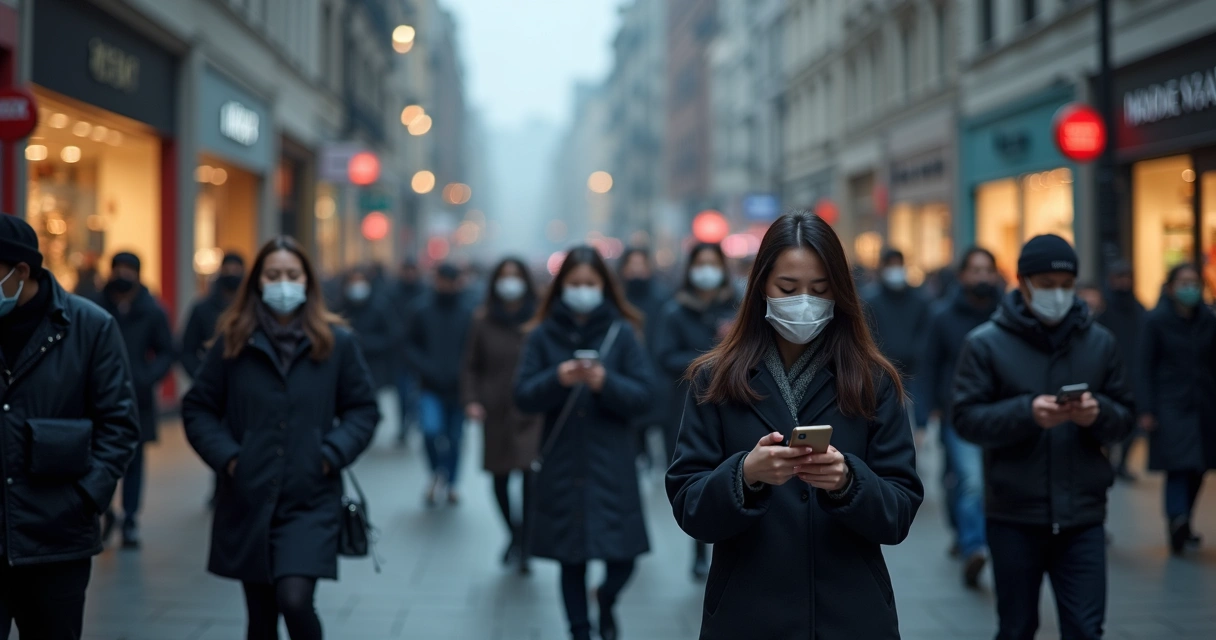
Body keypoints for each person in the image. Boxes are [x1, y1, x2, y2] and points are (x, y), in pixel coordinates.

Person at [666, 211, 922, 639]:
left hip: (851, 614)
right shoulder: (716, 379)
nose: (804, 302)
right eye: (788, 288)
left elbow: (899, 512)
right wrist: (745, 475)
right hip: (748, 613)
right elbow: (689, 505)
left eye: (820, 290)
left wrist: (847, 480)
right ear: (761, 286)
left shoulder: (871, 379)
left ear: (840, 293)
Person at [181, 236, 379, 640]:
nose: (283, 283)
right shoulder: (234, 340)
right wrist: (230, 458)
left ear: (308, 281)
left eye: (292, 274)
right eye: (273, 275)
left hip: (311, 496)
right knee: (261, 616)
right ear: (257, 282)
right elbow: (198, 407)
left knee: (295, 599)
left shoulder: (336, 342)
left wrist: (331, 453)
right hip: (248, 496)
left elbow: (363, 409)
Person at [953, 234, 1134, 640]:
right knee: (1017, 628)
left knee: (1086, 629)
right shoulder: (985, 344)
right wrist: (1027, 412)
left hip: (1084, 516)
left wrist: (1097, 413)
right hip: (1014, 515)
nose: (1058, 294)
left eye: (1066, 285)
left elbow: (1125, 417)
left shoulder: (1100, 342)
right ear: (1024, 282)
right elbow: (966, 419)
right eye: (1047, 285)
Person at [0, 215, 140, 639]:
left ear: (21, 272)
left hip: (56, 540)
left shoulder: (90, 326)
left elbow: (119, 423)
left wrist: (85, 498)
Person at [514, 246, 654, 640]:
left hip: (612, 461)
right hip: (563, 461)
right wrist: (558, 378)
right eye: (574, 284)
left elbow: (646, 397)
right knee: (570, 559)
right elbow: (523, 395)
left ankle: (606, 600)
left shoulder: (622, 332)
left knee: (624, 558)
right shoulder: (542, 334)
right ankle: (579, 630)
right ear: (560, 287)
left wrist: (605, 383)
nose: (582, 291)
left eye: (590, 283)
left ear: (604, 287)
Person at [653, 242, 737, 581]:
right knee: (700, 475)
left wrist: (735, 340)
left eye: (712, 263)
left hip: (733, 401)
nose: (706, 270)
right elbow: (665, 357)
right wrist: (706, 361)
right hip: (689, 405)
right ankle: (700, 548)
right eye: (700, 263)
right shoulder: (675, 311)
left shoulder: (738, 306)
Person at [921, 247, 1001, 588]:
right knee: (970, 481)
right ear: (963, 275)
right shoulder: (943, 316)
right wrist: (924, 415)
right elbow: (930, 364)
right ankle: (974, 547)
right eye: (976, 270)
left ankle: (970, 535)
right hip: (959, 413)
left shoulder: (1008, 312)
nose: (982, 277)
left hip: (1002, 413)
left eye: (988, 270)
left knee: (978, 482)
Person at [460, 258, 543, 574]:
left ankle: (524, 547)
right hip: (494, 410)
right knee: (499, 479)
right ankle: (516, 534)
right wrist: (471, 400)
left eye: (515, 276)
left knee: (530, 477)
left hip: (532, 410)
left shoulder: (538, 319)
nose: (510, 283)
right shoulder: (482, 320)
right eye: (504, 277)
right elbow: (470, 364)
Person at [97, 251, 175, 549]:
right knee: (101, 458)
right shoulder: (95, 305)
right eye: (118, 268)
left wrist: (146, 377)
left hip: (137, 400)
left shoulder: (152, 310)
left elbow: (167, 351)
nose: (123, 275)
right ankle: (106, 513)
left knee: (134, 461)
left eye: (129, 269)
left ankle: (130, 519)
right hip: (100, 396)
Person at [1137, 263, 1216, 555]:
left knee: (1198, 466)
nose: (1189, 288)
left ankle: (1185, 521)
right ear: (1170, 287)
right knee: (1178, 465)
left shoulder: (1208, 320)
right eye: (1183, 282)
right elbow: (1144, 366)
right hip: (1170, 403)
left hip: (1203, 404)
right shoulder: (1156, 321)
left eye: (1194, 282)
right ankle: (1177, 518)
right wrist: (1145, 408)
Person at [403, 263, 474, 505]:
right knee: (431, 431)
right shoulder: (421, 310)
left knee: (454, 437)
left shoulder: (468, 313)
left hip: (458, 388)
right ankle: (436, 474)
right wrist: (426, 369)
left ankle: (452, 482)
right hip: (429, 386)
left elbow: (474, 351)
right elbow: (409, 346)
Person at [863, 248, 931, 430]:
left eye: (898, 264)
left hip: (914, 372)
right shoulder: (870, 301)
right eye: (890, 265)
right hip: (882, 372)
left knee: (916, 423)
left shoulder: (920, 301)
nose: (895, 270)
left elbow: (925, 335)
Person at [1097, 260, 1146, 481]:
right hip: (1107, 374)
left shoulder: (1140, 310)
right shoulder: (1103, 311)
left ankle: (1122, 463)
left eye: (1127, 277)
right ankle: (1106, 461)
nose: (1123, 282)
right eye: (1119, 277)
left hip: (1134, 374)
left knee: (1132, 424)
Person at [618, 248, 667, 466]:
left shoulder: (663, 299)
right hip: (627, 380)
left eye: (641, 264)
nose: (637, 270)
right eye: (632, 264)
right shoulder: (617, 301)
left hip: (659, 376)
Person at [335, 267, 401, 395]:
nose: (357, 285)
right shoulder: (340, 310)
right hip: (347, 379)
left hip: (379, 376)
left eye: (360, 280)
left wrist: (365, 342)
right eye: (353, 281)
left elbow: (393, 336)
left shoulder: (380, 306)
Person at [182, 253, 246, 378]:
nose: (231, 275)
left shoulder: (253, 309)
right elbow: (187, 351)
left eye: (235, 270)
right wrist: (201, 376)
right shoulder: (202, 309)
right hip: (213, 379)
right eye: (227, 270)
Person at [391, 259, 426, 447]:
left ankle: (415, 421)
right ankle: (404, 425)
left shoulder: (424, 293)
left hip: (420, 353)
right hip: (400, 354)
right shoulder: (393, 293)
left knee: (417, 393)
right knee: (403, 393)